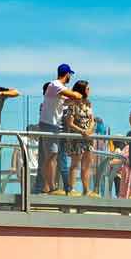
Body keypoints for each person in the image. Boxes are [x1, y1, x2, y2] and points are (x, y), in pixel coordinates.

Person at [37, 64, 82, 194]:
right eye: (70, 75)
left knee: (53, 156)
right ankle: (51, 187)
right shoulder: (55, 85)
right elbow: (75, 96)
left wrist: (74, 100)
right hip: (49, 125)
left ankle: (51, 186)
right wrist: (79, 95)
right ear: (67, 74)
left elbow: (65, 101)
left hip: (54, 125)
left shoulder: (58, 88)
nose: (70, 77)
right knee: (51, 156)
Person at [63, 79, 95, 195]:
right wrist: (82, 131)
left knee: (87, 165)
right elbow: (69, 123)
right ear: (82, 90)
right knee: (75, 164)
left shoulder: (88, 103)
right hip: (77, 138)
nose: (89, 90)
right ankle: (71, 189)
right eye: (87, 88)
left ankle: (86, 190)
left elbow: (92, 120)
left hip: (88, 138)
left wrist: (89, 130)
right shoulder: (72, 104)